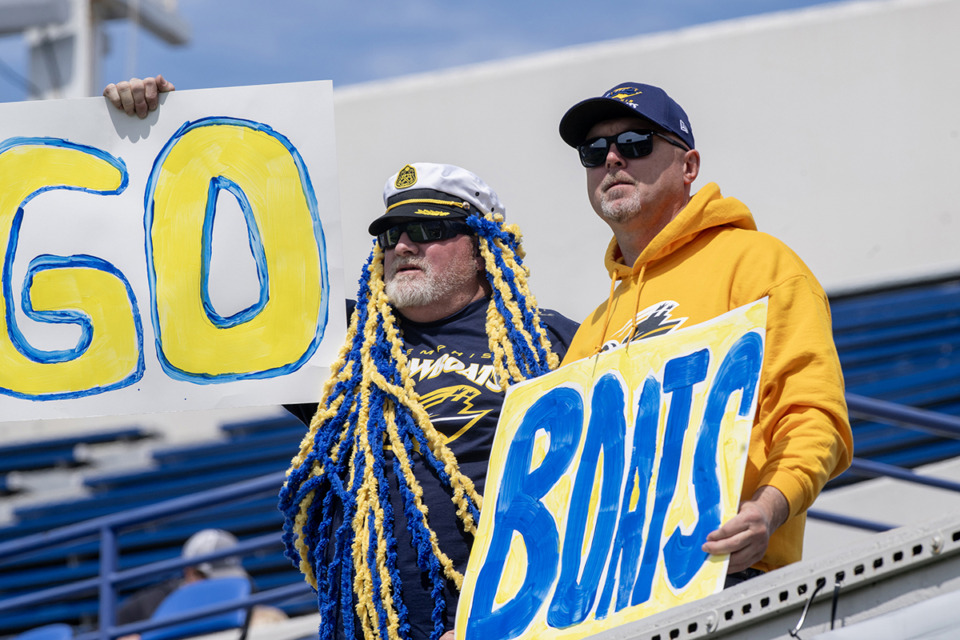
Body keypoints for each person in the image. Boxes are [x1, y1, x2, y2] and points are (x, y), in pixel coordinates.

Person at [556, 81, 853, 586]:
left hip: (728, 574)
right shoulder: (590, 332)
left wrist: (767, 511)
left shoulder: (759, 265)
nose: (611, 159)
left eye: (635, 143)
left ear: (688, 166)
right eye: (594, 150)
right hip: (610, 598)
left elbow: (813, 417)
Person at [279, 162, 578, 640]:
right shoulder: (345, 342)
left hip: (520, 620)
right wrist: (145, 114)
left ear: (482, 247)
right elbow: (209, 297)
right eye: (391, 233)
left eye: (427, 229)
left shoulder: (547, 341)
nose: (402, 245)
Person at [114, 528, 272, 637]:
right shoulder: (150, 603)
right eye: (210, 579)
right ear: (189, 572)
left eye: (226, 581)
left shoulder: (242, 595)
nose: (218, 588)